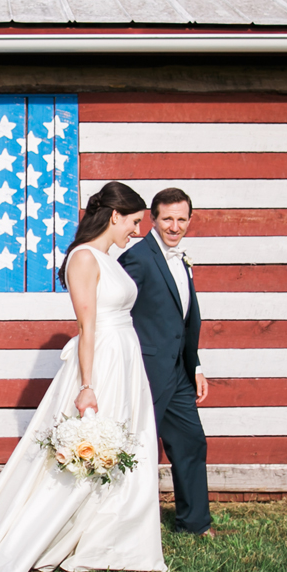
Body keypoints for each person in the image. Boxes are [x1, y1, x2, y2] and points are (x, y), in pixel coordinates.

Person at [0, 181, 168, 572]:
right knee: (91, 452)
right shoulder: (84, 259)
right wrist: (88, 385)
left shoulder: (109, 258)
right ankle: (38, 538)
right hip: (103, 363)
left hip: (125, 359)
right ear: (115, 215)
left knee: (124, 448)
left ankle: (113, 539)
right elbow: (87, 327)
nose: (136, 231)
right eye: (133, 222)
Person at [118, 187, 211, 537]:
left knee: (191, 441)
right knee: (136, 446)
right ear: (153, 219)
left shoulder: (181, 258)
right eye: (167, 218)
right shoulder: (137, 258)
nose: (175, 226)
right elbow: (116, 307)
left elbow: (184, 319)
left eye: (181, 219)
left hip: (179, 373)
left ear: (190, 220)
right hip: (145, 371)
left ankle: (195, 524)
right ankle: (124, 525)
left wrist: (196, 366)